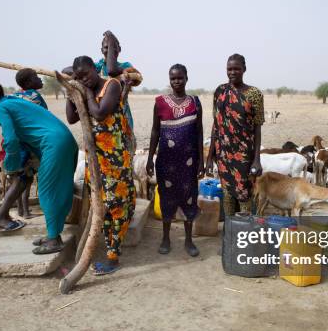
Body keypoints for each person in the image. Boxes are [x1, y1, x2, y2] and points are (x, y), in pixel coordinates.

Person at [0, 81, 78, 254]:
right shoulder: (14, 100)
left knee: (47, 191)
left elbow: (10, 140)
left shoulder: (1, 108)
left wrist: (11, 167)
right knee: (62, 188)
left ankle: (54, 240)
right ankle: (53, 234)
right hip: (65, 140)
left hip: (53, 144)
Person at [65, 56, 136, 275]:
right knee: (101, 206)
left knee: (118, 206)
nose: (84, 79)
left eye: (86, 74)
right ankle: (108, 249)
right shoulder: (83, 89)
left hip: (115, 159)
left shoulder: (111, 85)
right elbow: (71, 118)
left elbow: (99, 113)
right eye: (79, 77)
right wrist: (70, 91)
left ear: (94, 70)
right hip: (96, 160)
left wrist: (84, 92)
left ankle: (113, 256)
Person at [146, 64, 204, 257]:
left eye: (180, 78)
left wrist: (202, 162)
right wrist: (149, 158)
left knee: (189, 198)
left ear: (187, 78)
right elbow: (155, 131)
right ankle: (166, 238)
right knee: (167, 199)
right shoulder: (160, 102)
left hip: (189, 162)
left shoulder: (195, 102)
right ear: (169, 80)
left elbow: (199, 132)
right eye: (173, 79)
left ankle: (188, 240)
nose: (176, 82)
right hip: (166, 161)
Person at [205, 54, 264, 217]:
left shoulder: (254, 94)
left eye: (236, 69)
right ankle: (229, 235)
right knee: (228, 197)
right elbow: (216, 125)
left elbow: (258, 128)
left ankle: (243, 237)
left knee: (244, 196)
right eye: (229, 69)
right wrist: (210, 157)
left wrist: (257, 159)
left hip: (245, 156)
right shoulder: (220, 91)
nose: (233, 72)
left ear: (244, 69)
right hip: (223, 155)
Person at [11, 68, 48, 219]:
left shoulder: (14, 96)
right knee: (28, 178)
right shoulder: (35, 96)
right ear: (28, 82)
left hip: (15, 143)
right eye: (36, 77)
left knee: (18, 177)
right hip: (30, 144)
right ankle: (26, 212)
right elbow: (45, 116)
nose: (40, 79)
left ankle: (20, 209)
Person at [95, 31, 138, 152]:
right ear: (101, 50)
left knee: (124, 152)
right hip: (102, 115)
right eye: (106, 47)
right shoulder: (97, 67)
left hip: (122, 116)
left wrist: (111, 38)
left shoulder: (126, 66)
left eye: (113, 47)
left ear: (119, 49)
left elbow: (111, 70)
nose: (109, 51)